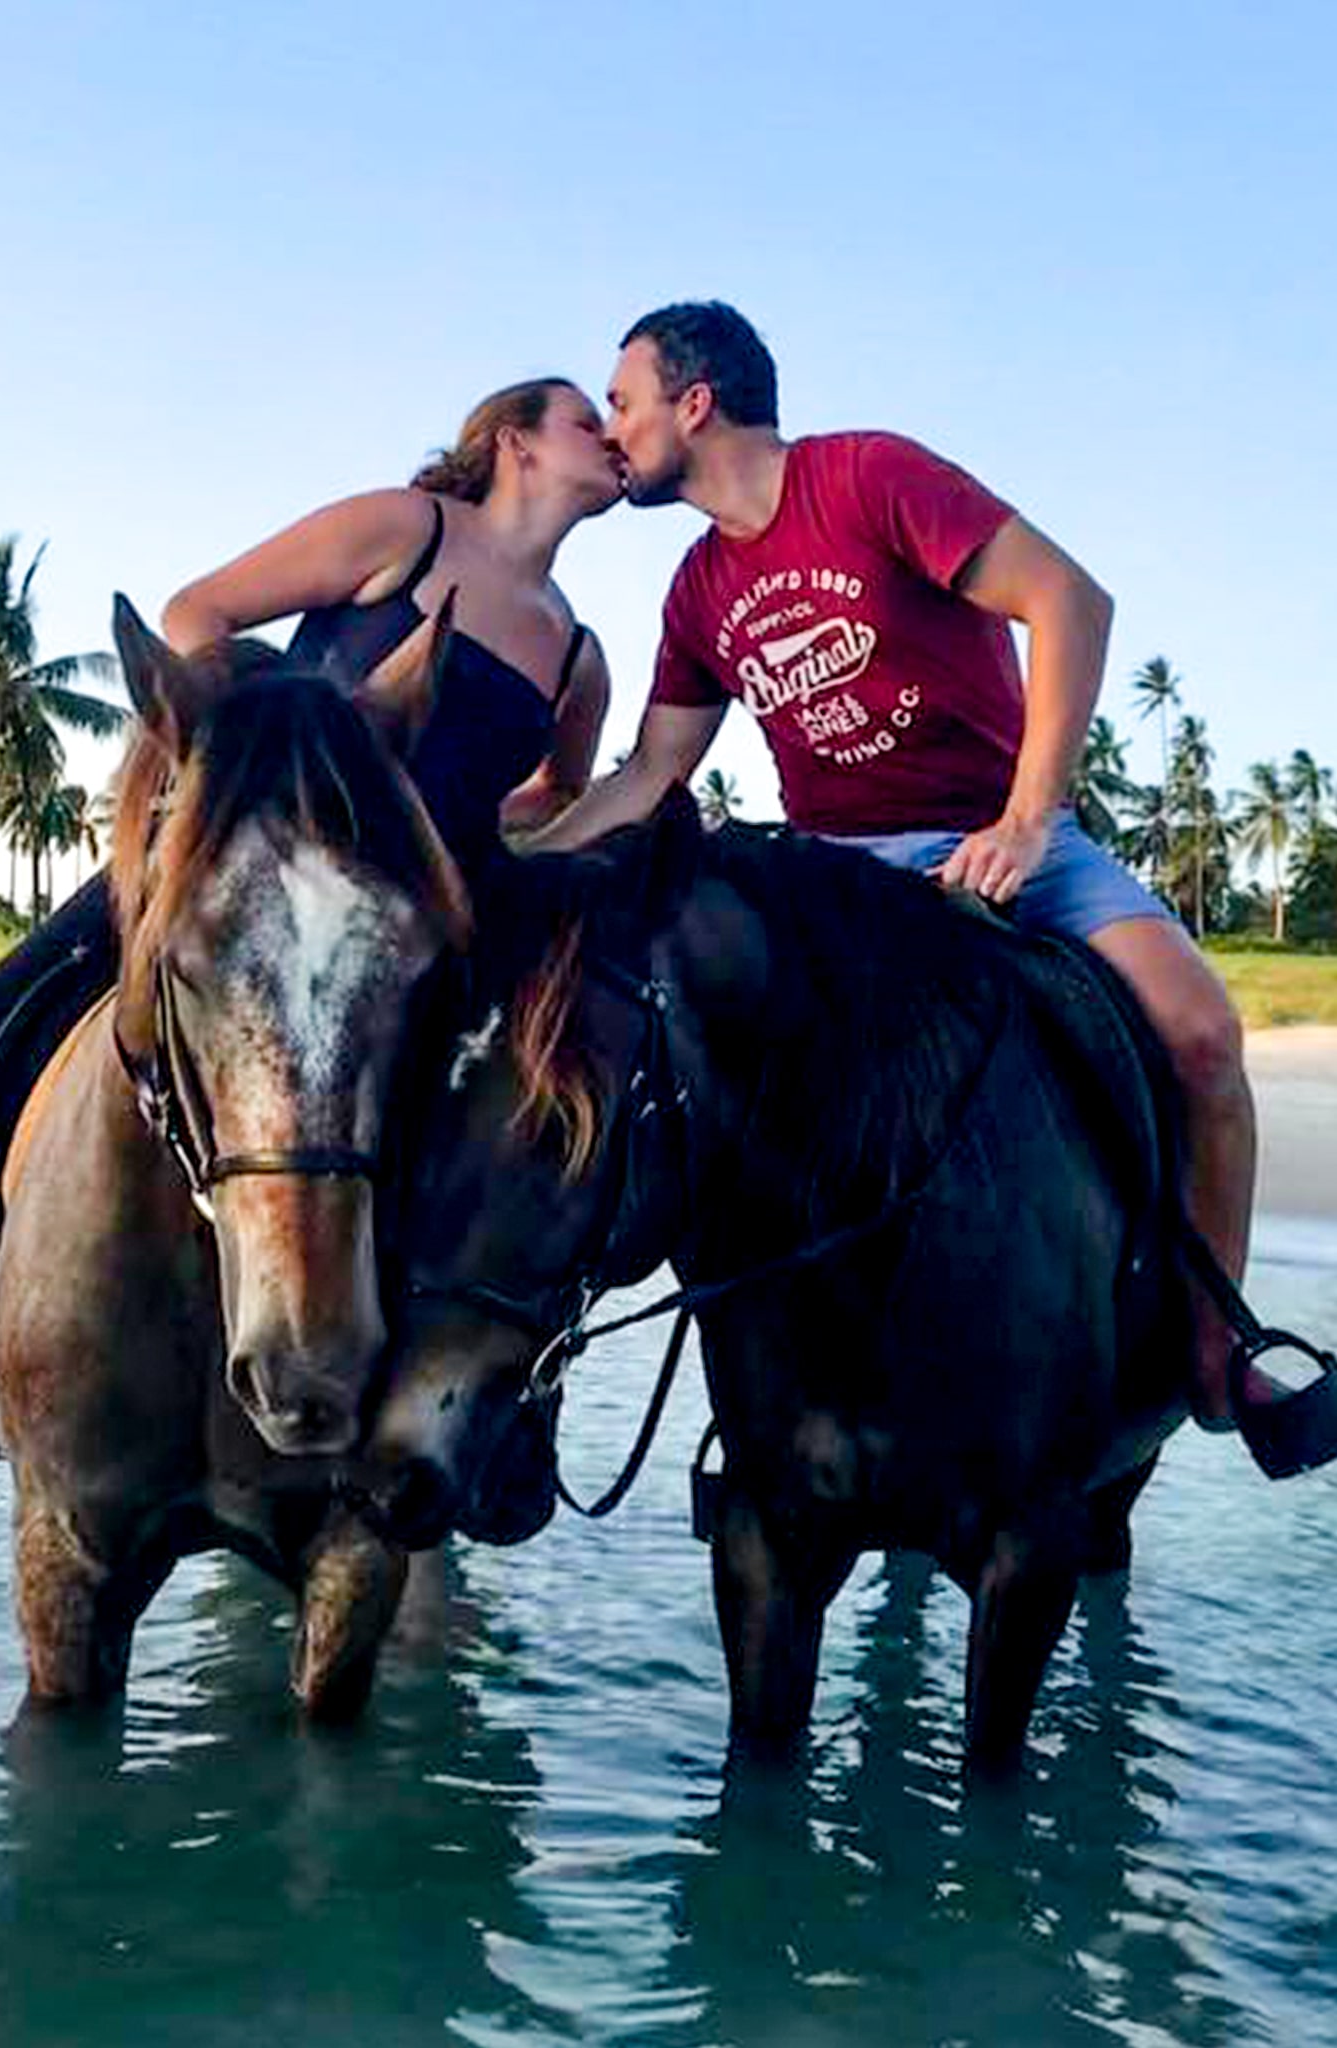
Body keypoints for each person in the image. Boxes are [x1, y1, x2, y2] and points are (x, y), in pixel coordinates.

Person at [535, 300, 1298, 1461]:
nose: (614, 426)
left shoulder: (868, 478)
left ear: (696, 401)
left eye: (626, 399)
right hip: (836, 875)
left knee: (1201, 1033)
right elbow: (651, 770)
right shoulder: (697, 590)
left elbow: (1070, 601)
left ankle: (1216, 1343)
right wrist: (519, 867)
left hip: (996, 834)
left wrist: (1027, 821)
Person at [0, 375, 620, 1251]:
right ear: (516, 440)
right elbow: (199, 610)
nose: (613, 433)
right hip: (259, 860)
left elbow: (557, 792)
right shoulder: (407, 528)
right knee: (2, 1018)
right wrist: (244, 768)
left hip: (404, 919)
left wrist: (446, 837)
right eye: (588, 418)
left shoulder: (581, 657)